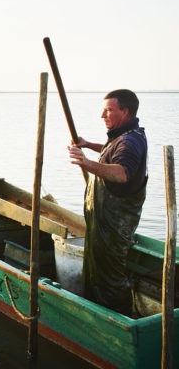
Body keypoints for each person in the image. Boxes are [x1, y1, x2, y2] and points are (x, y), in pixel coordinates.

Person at [67, 89, 147, 316]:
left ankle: (119, 321)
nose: (103, 115)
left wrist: (87, 163)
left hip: (114, 227)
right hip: (103, 224)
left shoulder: (130, 142)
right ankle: (99, 311)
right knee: (97, 273)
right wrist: (88, 144)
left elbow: (121, 172)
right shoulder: (125, 137)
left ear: (126, 111)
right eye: (103, 110)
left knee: (110, 278)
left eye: (109, 110)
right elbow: (111, 152)